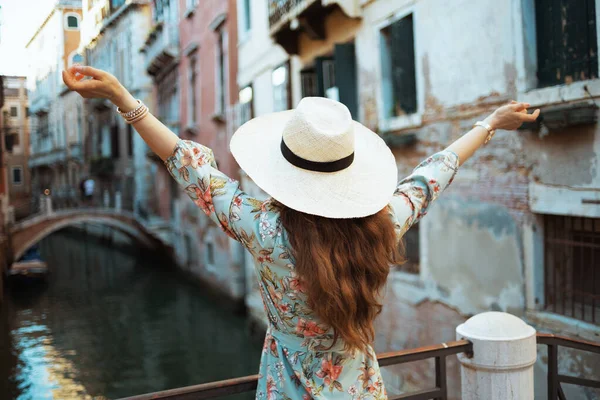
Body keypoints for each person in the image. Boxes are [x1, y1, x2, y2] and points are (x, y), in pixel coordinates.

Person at [63, 66, 539, 399]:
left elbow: (187, 165)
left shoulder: (263, 229)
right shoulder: (384, 225)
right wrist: (490, 122)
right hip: (360, 390)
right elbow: (433, 175)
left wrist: (122, 98)